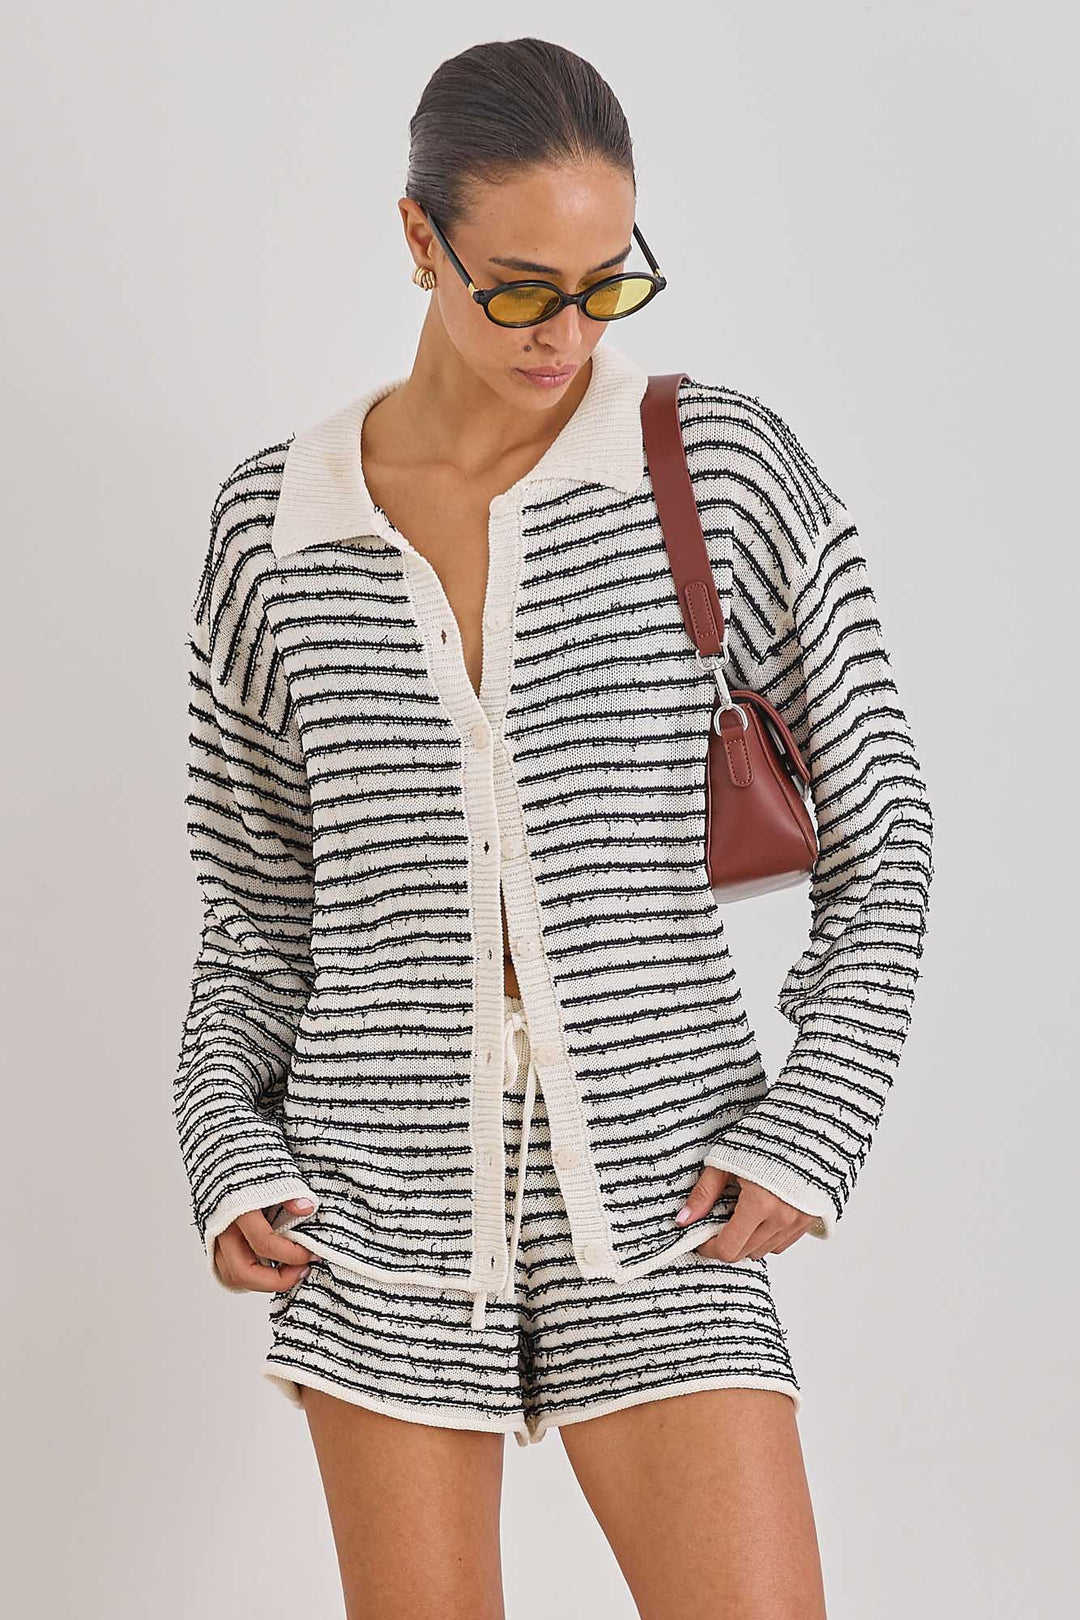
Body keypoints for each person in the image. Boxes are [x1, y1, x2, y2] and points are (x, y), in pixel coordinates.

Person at [173, 35, 934, 1620]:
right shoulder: (276, 526)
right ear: (418, 237)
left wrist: (816, 1116)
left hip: (668, 1189)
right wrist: (226, 1140)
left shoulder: (719, 469)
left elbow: (886, 834)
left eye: (609, 283)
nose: (569, 334)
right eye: (521, 289)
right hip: (374, 1204)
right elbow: (255, 905)